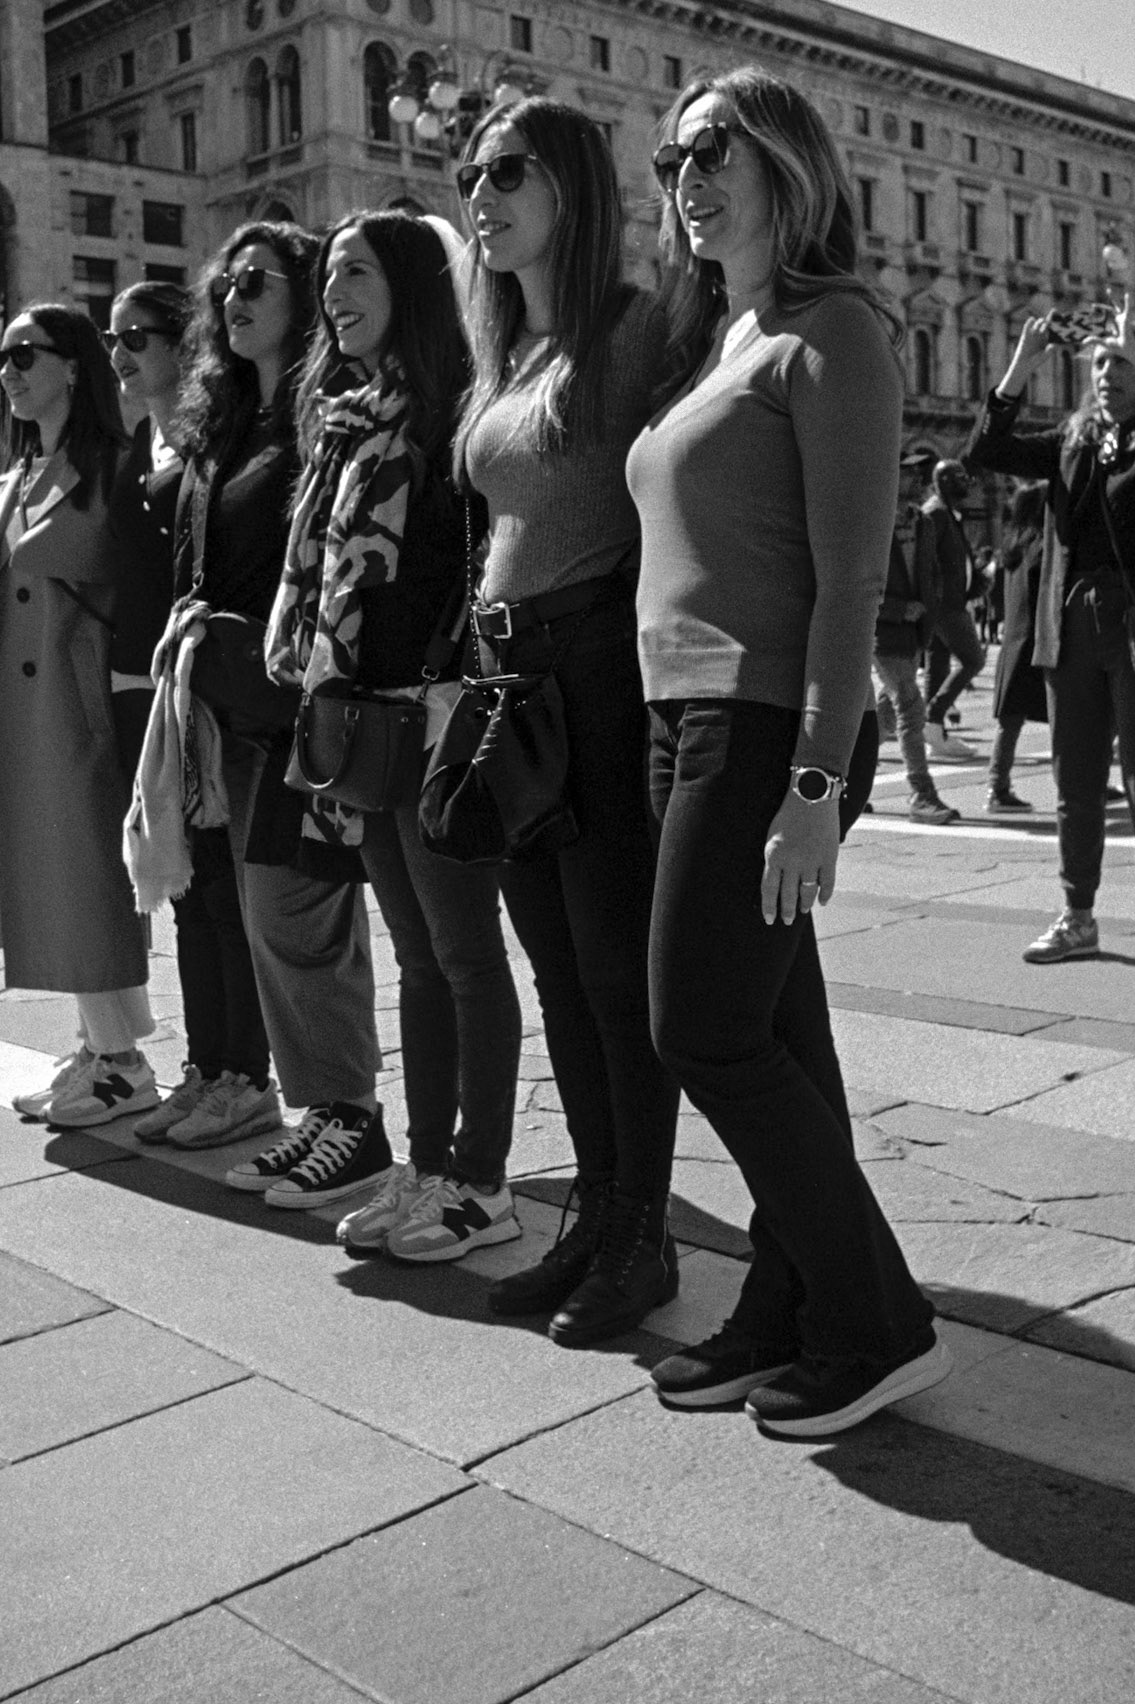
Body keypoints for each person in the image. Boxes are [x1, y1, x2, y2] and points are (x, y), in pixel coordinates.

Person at [628, 66, 948, 1434]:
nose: (687, 180)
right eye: (670, 160)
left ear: (784, 163)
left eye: (713, 150)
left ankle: (877, 1321)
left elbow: (850, 583)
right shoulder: (722, 335)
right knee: (776, 1037)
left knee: (698, 1027)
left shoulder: (833, 332)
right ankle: (787, 1303)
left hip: (761, 729)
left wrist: (816, 782)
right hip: (682, 722)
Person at [456, 96, 682, 1345]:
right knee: (555, 967)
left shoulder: (632, 331)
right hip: (511, 682)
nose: (479, 196)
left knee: (609, 969)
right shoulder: (509, 352)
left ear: (572, 188)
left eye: (507, 171)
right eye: (471, 174)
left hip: (595, 671)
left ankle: (642, 1232)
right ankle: (595, 1215)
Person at [265, 211, 524, 1262]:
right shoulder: (347, 420)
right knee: (417, 957)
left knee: (464, 956)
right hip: (361, 720)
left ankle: (483, 1177)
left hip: (438, 718)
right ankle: (426, 1162)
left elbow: (470, 568)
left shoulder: (457, 412)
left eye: (357, 272)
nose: (334, 293)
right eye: (328, 276)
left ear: (412, 286)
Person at [164, 222, 386, 1211]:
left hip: (296, 711)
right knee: (264, 916)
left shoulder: (318, 415)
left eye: (257, 281)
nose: (234, 299)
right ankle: (323, 1111)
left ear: (303, 296)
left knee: (303, 918)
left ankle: (353, 1122)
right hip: (224, 713)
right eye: (226, 284)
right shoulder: (225, 421)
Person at [966, 305, 1135, 985]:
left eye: (1121, 362)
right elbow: (985, 452)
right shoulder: (1070, 440)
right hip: (1070, 625)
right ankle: (1078, 914)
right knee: (1074, 781)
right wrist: (1019, 368)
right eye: (1100, 362)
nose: (1107, 373)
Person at [102, 281, 285, 1154]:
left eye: (135, 336)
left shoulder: (214, 439)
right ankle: (208, 1067)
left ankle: (247, 1076)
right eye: (111, 339)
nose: (119, 354)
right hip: (166, 687)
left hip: (216, 686)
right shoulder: (147, 445)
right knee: (187, 886)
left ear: (185, 343)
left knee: (226, 890)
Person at [0, 305, 160, 1126]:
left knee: (87, 881)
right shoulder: (17, 475)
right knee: (54, 877)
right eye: (1, 358)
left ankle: (123, 1064)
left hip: (79, 711)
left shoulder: (113, 465)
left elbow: (139, 589)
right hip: (21, 713)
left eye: (25, 355)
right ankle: (99, 1046)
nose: (7, 371)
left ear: (74, 366)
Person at [873, 454, 959, 824]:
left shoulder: (921, 522)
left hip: (915, 629)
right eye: (907, 473)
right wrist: (895, 609)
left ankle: (850, 782)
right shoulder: (872, 521)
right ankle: (921, 795)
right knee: (910, 706)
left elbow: (932, 571)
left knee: (885, 714)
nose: (917, 479)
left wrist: (929, 608)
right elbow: (856, 577)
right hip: (883, 628)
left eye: (917, 473)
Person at [984, 482, 1047, 813]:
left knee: (1010, 721)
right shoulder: (1041, 545)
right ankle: (1085, 780)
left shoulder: (1013, 546)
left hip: (1015, 639)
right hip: (1038, 640)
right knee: (1071, 714)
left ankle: (998, 786)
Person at [919, 460, 984, 756]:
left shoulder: (946, 513)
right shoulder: (935, 513)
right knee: (973, 660)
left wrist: (974, 581)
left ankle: (934, 734)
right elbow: (925, 559)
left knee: (938, 665)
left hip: (948, 602)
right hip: (945, 605)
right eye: (960, 477)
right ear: (944, 481)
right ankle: (932, 716)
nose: (966, 482)